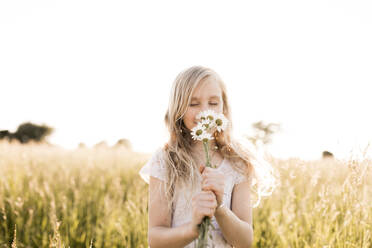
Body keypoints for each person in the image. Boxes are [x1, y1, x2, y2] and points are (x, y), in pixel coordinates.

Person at [139, 66, 275, 248]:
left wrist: (219, 208)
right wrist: (193, 228)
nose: (205, 113)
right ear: (178, 108)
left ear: (223, 108)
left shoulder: (238, 161)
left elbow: (244, 242)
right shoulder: (165, 160)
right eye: (193, 104)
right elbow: (155, 239)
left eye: (213, 103)